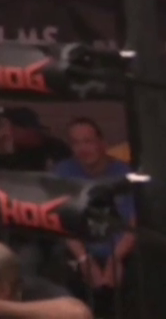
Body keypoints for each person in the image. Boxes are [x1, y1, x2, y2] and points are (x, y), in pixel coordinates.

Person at [52, 119, 135, 305]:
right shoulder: (63, 172)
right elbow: (61, 221)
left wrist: (116, 259)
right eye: (76, 143)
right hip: (79, 249)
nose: (82, 148)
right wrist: (83, 259)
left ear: (102, 144)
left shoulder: (124, 173)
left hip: (120, 250)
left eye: (88, 141)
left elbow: (133, 223)